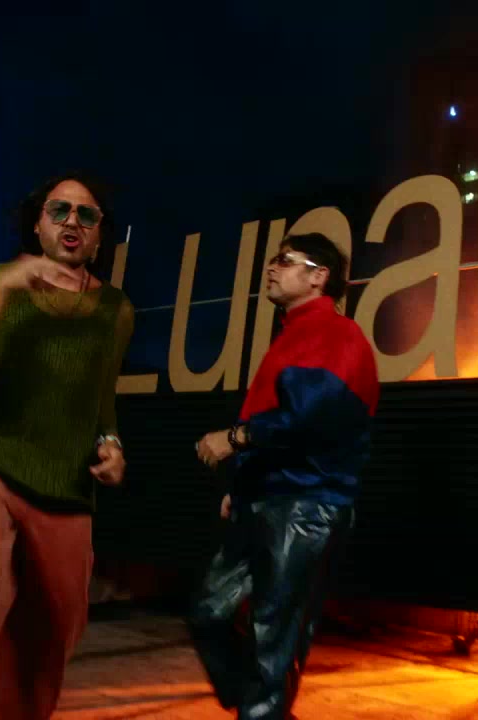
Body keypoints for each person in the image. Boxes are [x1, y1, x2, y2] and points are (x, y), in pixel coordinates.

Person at [0, 172, 134, 720]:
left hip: (65, 478)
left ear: (99, 234)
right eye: (58, 210)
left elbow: (101, 396)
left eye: (86, 215)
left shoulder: (115, 310)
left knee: (58, 620)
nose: (72, 222)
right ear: (37, 224)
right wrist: (2, 290)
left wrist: (110, 443)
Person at [190, 232, 380, 719]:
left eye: (285, 260)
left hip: (307, 504)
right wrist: (242, 486)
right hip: (267, 499)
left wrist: (234, 439)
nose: (272, 268)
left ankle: (263, 709)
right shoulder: (293, 334)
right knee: (209, 614)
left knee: (272, 638)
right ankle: (263, 708)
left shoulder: (338, 334)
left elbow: (313, 417)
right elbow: (283, 420)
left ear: (319, 277)